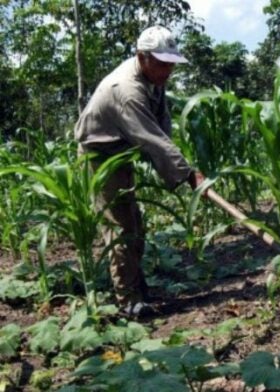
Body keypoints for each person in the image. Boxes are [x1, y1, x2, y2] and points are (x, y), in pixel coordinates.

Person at [75, 26, 206, 317]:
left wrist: (178, 166)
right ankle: (128, 302)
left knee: (135, 224)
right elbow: (151, 137)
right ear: (142, 57)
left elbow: (162, 125)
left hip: (120, 150)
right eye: (162, 63)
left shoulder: (154, 77)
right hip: (100, 156)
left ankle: (137, 286)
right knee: (121, 228)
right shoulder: (127, 90)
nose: (168, 70)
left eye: (171, 63)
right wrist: (188, 173)